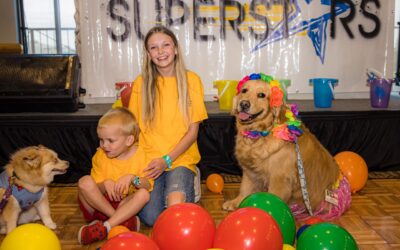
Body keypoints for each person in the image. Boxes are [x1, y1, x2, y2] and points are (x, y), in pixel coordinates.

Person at [128, 25, 208, 226]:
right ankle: (175, 188)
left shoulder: (191, 80)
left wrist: (167, 160)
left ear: (176, 49)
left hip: (179, 158)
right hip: (150, 160)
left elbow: (192, 132)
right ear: (148, 54)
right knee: (152, 218)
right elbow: (134, 129)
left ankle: (186, 181)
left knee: (174, 209)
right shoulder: (140, 83)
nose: (160, 51)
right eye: (154, 48)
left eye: (166, 45)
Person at [77, 107, 152, 245]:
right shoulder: (100, 156)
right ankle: (119, 221)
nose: (104, 145)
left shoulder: (143, 155)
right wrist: (105, 184)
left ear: (129, 140)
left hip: (124, 205)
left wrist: (132, 178)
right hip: (100, 205)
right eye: (101, 140)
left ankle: (105, 227)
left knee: (144, 195)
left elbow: (147, 185)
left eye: (110, 141)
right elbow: (94, 190)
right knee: (84, 182)